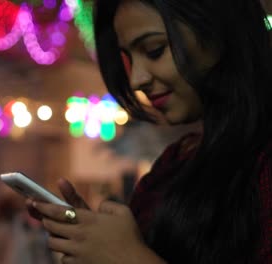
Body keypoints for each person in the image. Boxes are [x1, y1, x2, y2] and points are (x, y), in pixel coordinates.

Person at [27, 0, 272, 263]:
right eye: (129, 59)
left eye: (155, 50)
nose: (137, 80)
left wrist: (128, 256)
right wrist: (97, 245)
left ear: (218, 30)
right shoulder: (174, 164)